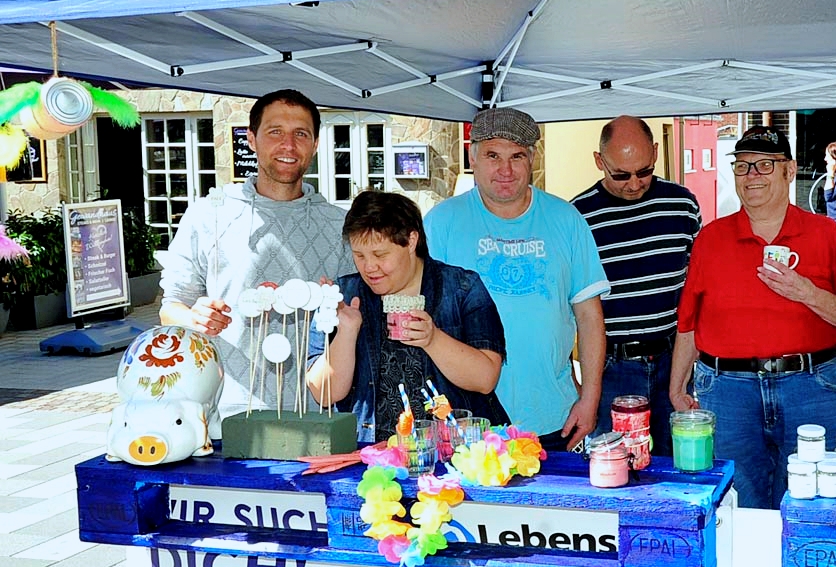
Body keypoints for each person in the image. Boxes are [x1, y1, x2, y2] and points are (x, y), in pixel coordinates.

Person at [669, 127, 836, 509]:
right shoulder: (710, 238)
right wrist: (677, 386)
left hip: (814, 388)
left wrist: (808, 294)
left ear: (790, 170)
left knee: (814, 501)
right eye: (743, 167)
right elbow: (689, 323)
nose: (752, 176)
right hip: (729, 393)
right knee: (735, 501)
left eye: (765, 165)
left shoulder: (826, 234)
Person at [159, 89, 354, 430]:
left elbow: (355, 317)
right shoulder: (208, 216)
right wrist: (195, 318)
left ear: (316, 144)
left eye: (301, 134)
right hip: (223, 417)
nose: (288, 146)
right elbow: (171, 308)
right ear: (251, 138)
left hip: (318, 418)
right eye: (275, 132)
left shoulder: (341, 225)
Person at [424, 107, 610, 451]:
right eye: (493, 155)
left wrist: (590, 399)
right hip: (465, 422)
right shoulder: (440, 224)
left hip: (555, 416)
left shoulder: (566, 219)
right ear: (473, 156)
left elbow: (589, 317)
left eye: (517, 156)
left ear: (532, 159)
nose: (505, 169)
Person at [304, 192, 508, 443]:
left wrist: (433, 340)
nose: (369, 267)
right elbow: (324, 394)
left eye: (380, 255)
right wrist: (347, 330)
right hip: (370, 455)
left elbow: (486, 379)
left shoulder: (462, 288)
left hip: (457, 453)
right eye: (359, 255)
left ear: (411, 240)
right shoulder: (342, 296)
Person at [571, 116, 701, 456]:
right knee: (616, 468)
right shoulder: (576, 217)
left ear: (656, 152)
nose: (634, 184)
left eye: (644, 171)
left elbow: (697, 286)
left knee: (682, 465)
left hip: (674, 363)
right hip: (612, 368)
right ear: (599, 162)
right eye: (620, 174)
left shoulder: (682, 205)